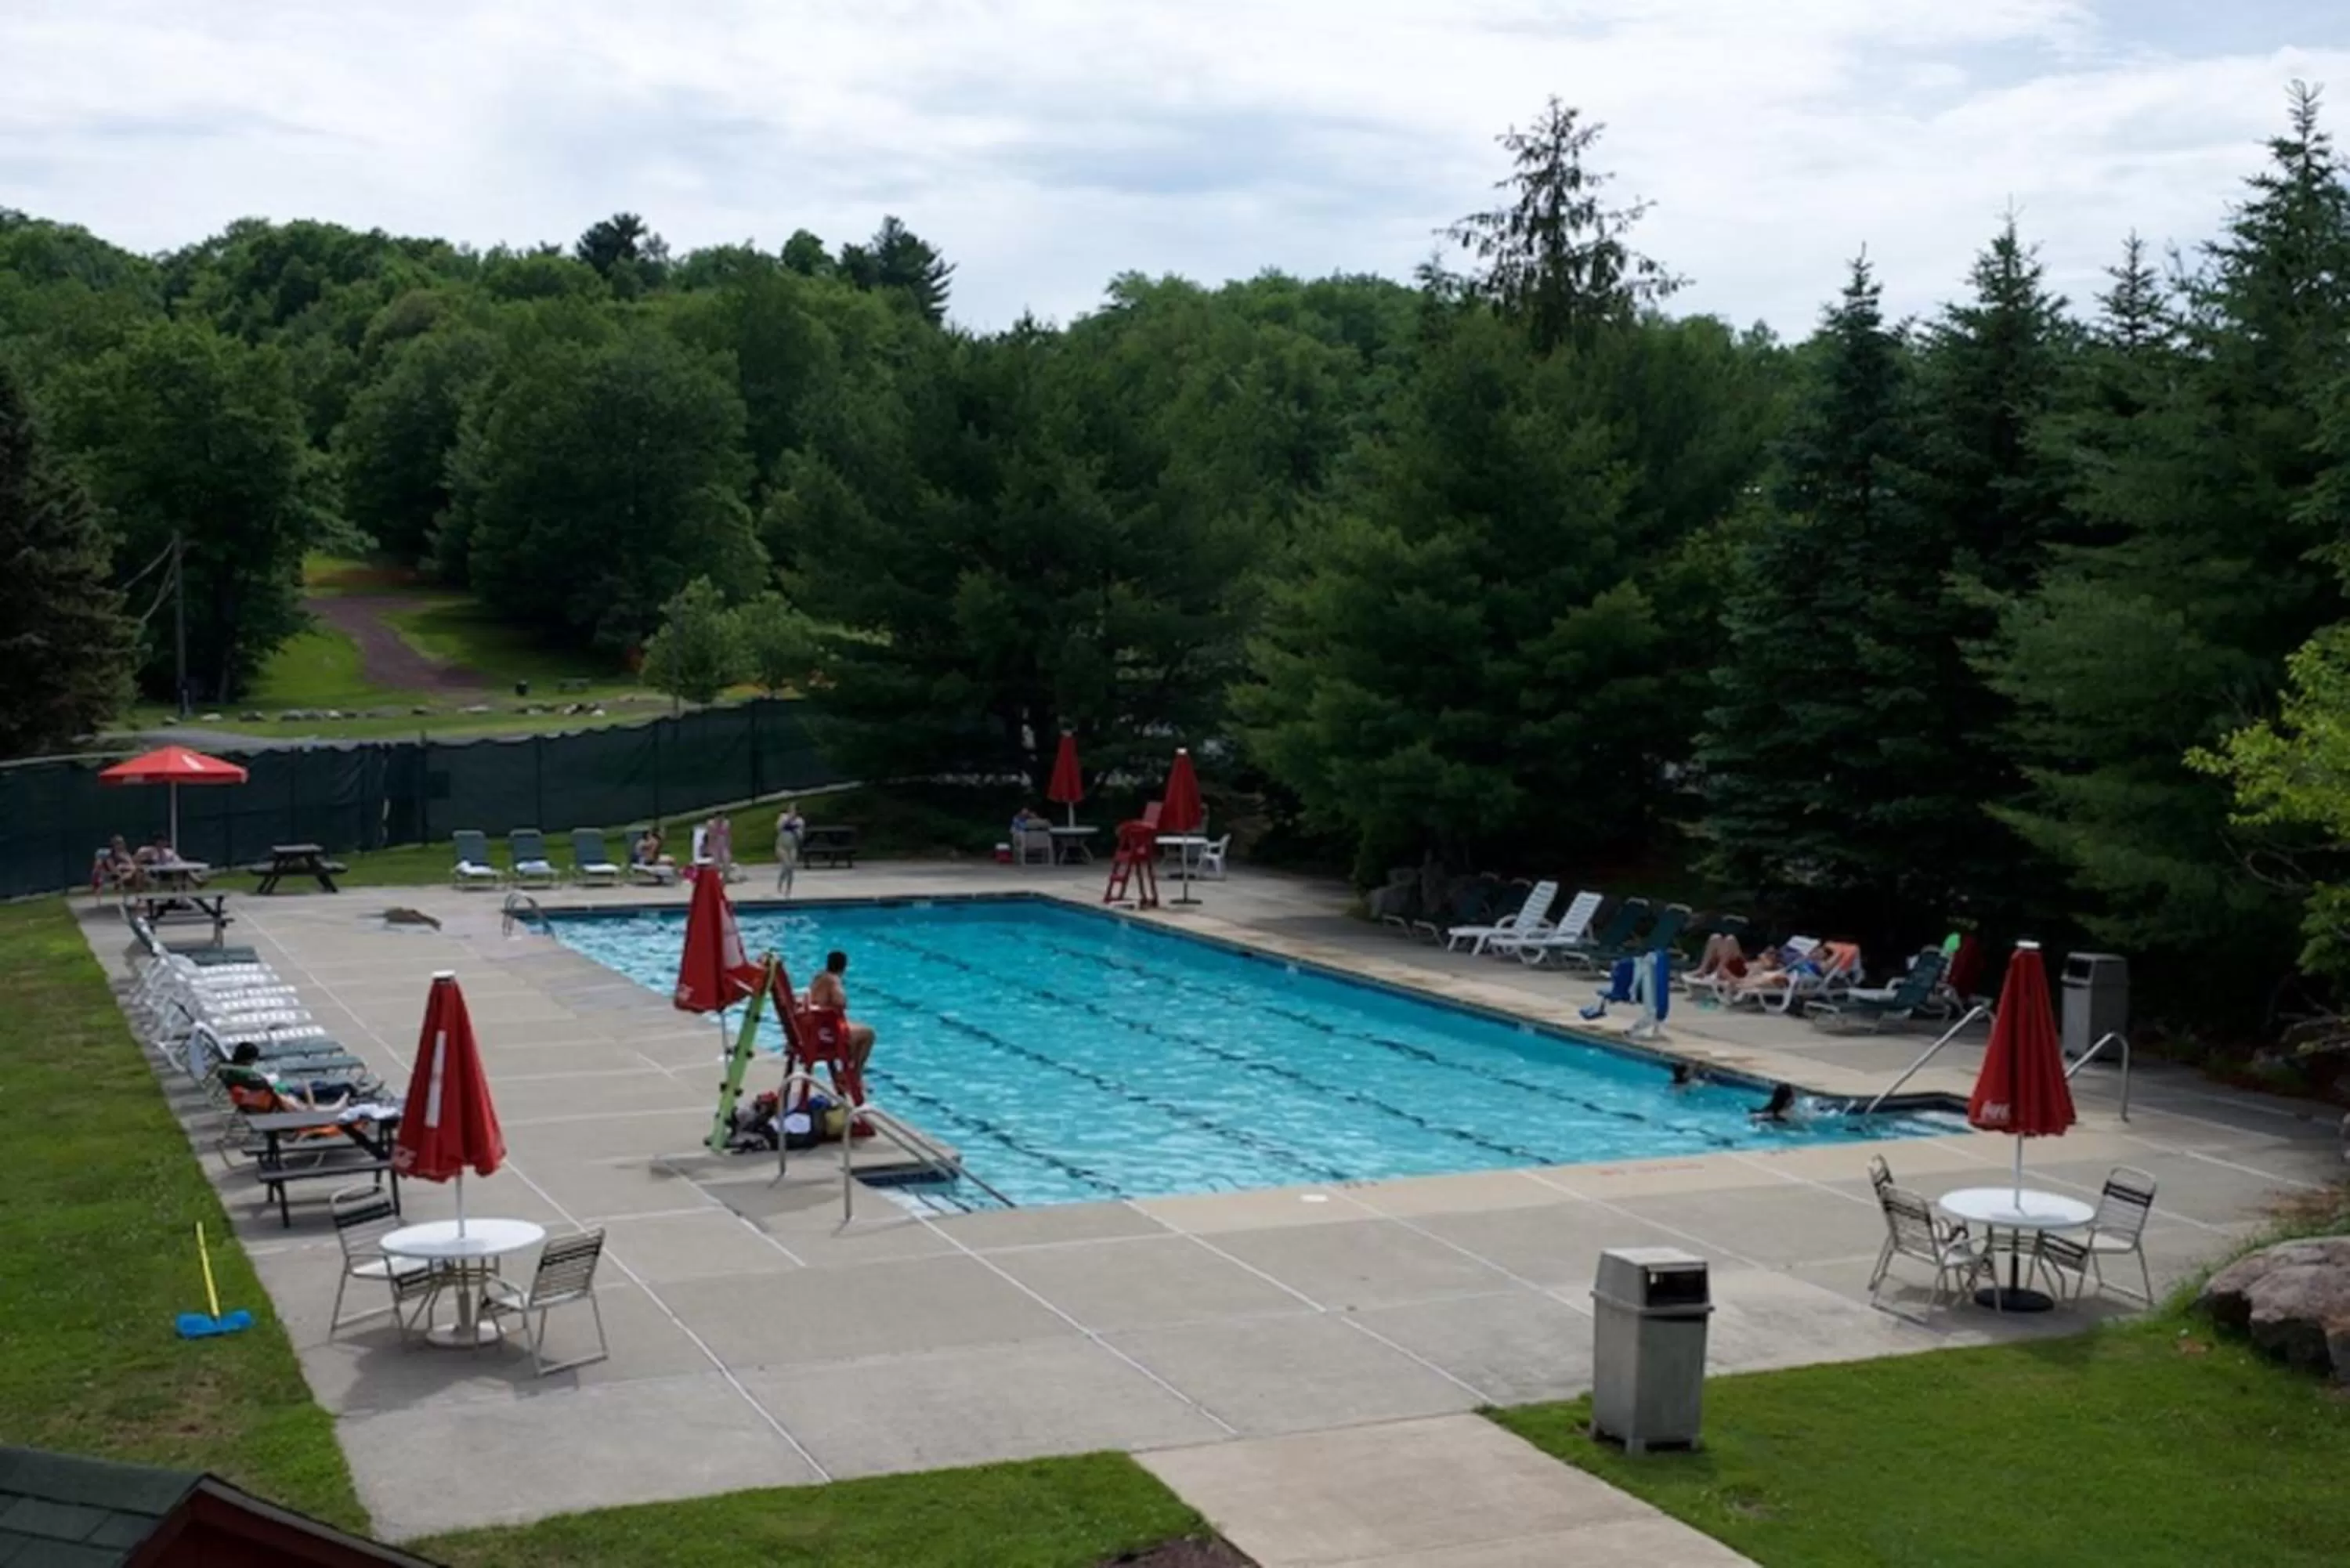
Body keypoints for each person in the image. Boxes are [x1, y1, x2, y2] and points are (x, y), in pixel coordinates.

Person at [804, 949, 876, 1081]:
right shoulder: (833, 980)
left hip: (815, 1028)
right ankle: (854, 1076)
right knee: (869, 1034)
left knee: (855, 1029)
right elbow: (841, 1002)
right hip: (826, 1032)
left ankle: (846, 1073)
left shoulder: (819, 976)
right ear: (844, 967)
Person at [775, 801, 805, 895]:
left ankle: (788, 889)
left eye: (794, 810)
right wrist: (788, 820)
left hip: (792, 847)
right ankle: (780, 883)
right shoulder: (783, 817)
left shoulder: (800, 821)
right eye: (791, 809)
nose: (792, 812)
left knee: (791, 868)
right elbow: (778, 828)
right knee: (787, 865)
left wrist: (797, 831)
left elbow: (801, 837)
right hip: (781, 846)